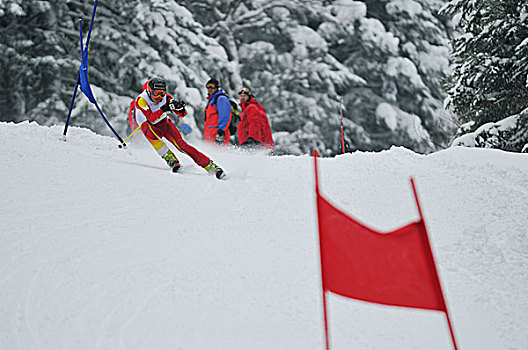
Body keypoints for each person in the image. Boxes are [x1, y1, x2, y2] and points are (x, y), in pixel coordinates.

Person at [133, 76, 226, 179]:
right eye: (156, 93)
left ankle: (210, 165)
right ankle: (170, 158)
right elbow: (151, 118)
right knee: (153, 136)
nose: (159, 97)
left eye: (162, 93)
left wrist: (180, 108)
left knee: (182, 145)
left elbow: (182, 114)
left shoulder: (166, 98)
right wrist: (165, 108)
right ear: (149, 91)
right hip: (148, 124)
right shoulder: (141, 100)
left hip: (163, 122)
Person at [237, 86, 274, 151]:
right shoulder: (245, 109)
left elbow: (254, 123)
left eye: (244, 96)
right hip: (246, 140)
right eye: (241, 96)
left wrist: (252, 137)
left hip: (251, 141)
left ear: (249, 97)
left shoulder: (252, 107)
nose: (242, 98)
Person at [204, 78, 232, 145]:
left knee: (220, 154)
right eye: (208, 87)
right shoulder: (211, 101)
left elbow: (225, 115)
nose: (209, 89)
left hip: (217, 134)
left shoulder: (221, 99)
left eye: (212, 87)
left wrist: (221, 132)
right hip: (209, 134)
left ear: (216, 87)